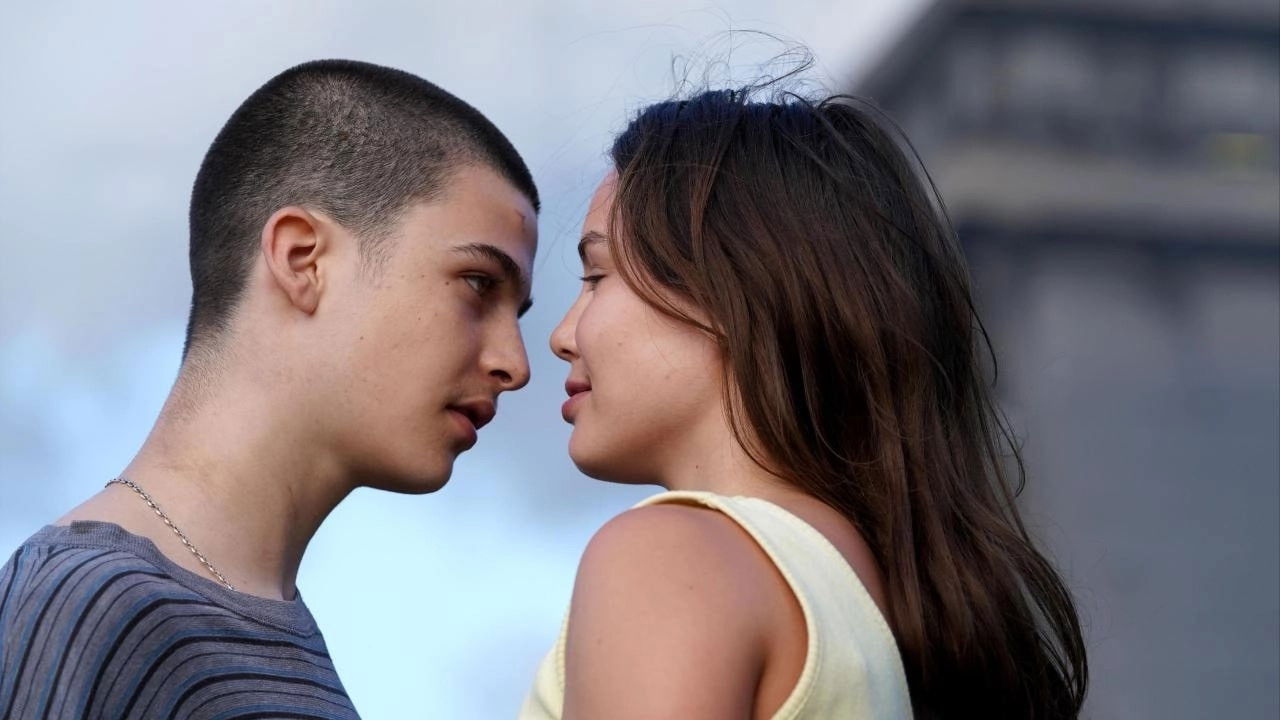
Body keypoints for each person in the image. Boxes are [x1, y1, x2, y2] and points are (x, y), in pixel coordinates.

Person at [521, 89, 1087, 719]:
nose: (561, 335)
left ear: (732, 289)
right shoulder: (875, 600)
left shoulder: (675, 556)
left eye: (596, 277)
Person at [0, 59, 538, 719]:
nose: (515, 363)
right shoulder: (85, 607)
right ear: (301, 259)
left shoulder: (271, 630)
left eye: (519, 312)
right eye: (479, 284)